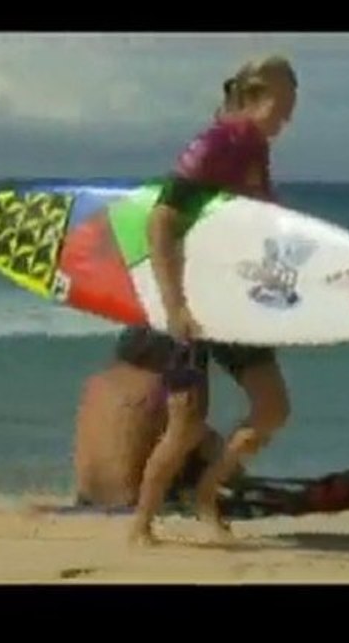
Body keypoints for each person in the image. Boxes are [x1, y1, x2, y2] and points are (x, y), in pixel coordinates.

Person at [129, 54, 298, 545]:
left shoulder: (255, 150)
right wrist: (174, 304)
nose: (287, 117)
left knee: (272, 409)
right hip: (191, 304)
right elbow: (160, 220)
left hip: (233, 303)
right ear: (256, 95)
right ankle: (141, 524)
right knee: (184, 424)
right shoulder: (215, 143)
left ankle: (207, 493)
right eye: (283, 105)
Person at [73, 326, 226, 510]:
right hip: (132, 500)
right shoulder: (162, 387)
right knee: (201, 441)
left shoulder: (95, 384)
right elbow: (193, 432)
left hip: (87, 498)